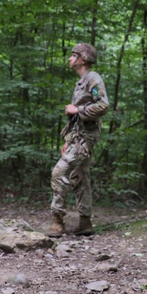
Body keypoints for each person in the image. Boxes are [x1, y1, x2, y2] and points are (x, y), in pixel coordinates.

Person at [48, 43, 110, 237]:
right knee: (80, 177)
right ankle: (85, 222)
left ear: (82, 59)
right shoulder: (82, 81)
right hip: (78, 137)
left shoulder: (93, 78)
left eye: (73, 55)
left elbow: (103, 105)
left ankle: (57, 220)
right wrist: (68, 139)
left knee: (58, 172)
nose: (69, 58)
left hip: (86, 138)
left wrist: (78, 110)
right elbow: (77, 120)